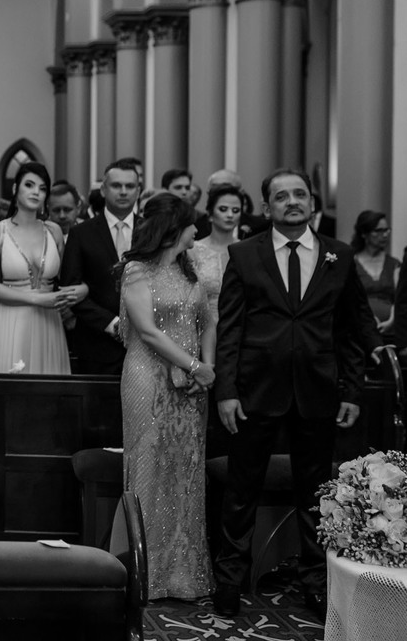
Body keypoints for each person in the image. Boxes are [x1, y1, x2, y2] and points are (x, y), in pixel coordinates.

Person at [211, 168, 371, 621]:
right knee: (241, 493)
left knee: (316, 496)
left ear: (312, 202)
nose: (292, 201)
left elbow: (353, 330)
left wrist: (352, 391)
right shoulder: (244, 254)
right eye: (281, 196)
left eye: (299, 194)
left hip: (317, 392)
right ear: (266, 207)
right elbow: (230, 329)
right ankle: (229, 582)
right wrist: (226, 390)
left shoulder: (338, 255)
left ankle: (316, 582)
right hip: (255, 390)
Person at [117, 193, 216, 600]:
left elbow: (209, 321)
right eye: (192, 223)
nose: (198, 230)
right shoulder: (137, 271)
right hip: (147, 379)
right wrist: (197, 368)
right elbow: (148, 330)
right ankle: (144, 570)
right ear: (175, 228)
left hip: (192, 383)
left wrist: (205, 369)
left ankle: (182, 573)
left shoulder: (191, 270)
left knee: (186, 469)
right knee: (148, 464)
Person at [0, 162, 81, 374]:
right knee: (12, 392)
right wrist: (38, 299)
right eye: (29, 185)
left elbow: (67, 279)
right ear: (16, 188)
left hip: (49, 322)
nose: (36, 192)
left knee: (49, 394)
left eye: (42, 188)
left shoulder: (53, 231)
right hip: (10, 320)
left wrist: (83, 290)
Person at [59, 158, 141, 375]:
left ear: (138, 191)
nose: (123, 192)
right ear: (104, 190)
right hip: (96, 344)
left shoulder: (150, 231)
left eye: (130, 186)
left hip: (145, 343)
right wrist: (112, 323)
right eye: (116, 186)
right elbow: (70, 289)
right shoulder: (81, 233)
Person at [188, 184, 244, 325]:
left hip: (239, 328)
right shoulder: (193, 250)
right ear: (210, 214)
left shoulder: (248, 251)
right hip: (199, 327)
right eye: (223, 209)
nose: (230, 215)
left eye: (236, 210)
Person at [351, 210, 399, 343]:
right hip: (359, 330)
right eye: (378, 231)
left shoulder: (393, 264)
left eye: (387, 230)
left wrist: (392, 321)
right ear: (364, 234)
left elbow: (400, 299)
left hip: (390, 329)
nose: (384, 235)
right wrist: (368, 319)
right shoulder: (351, 262)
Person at [195, 169, 266, 240]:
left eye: (227, 189)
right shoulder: (196, 226)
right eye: (215, 189)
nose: (222, 194)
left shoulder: (260, 227)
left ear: (241, 192)